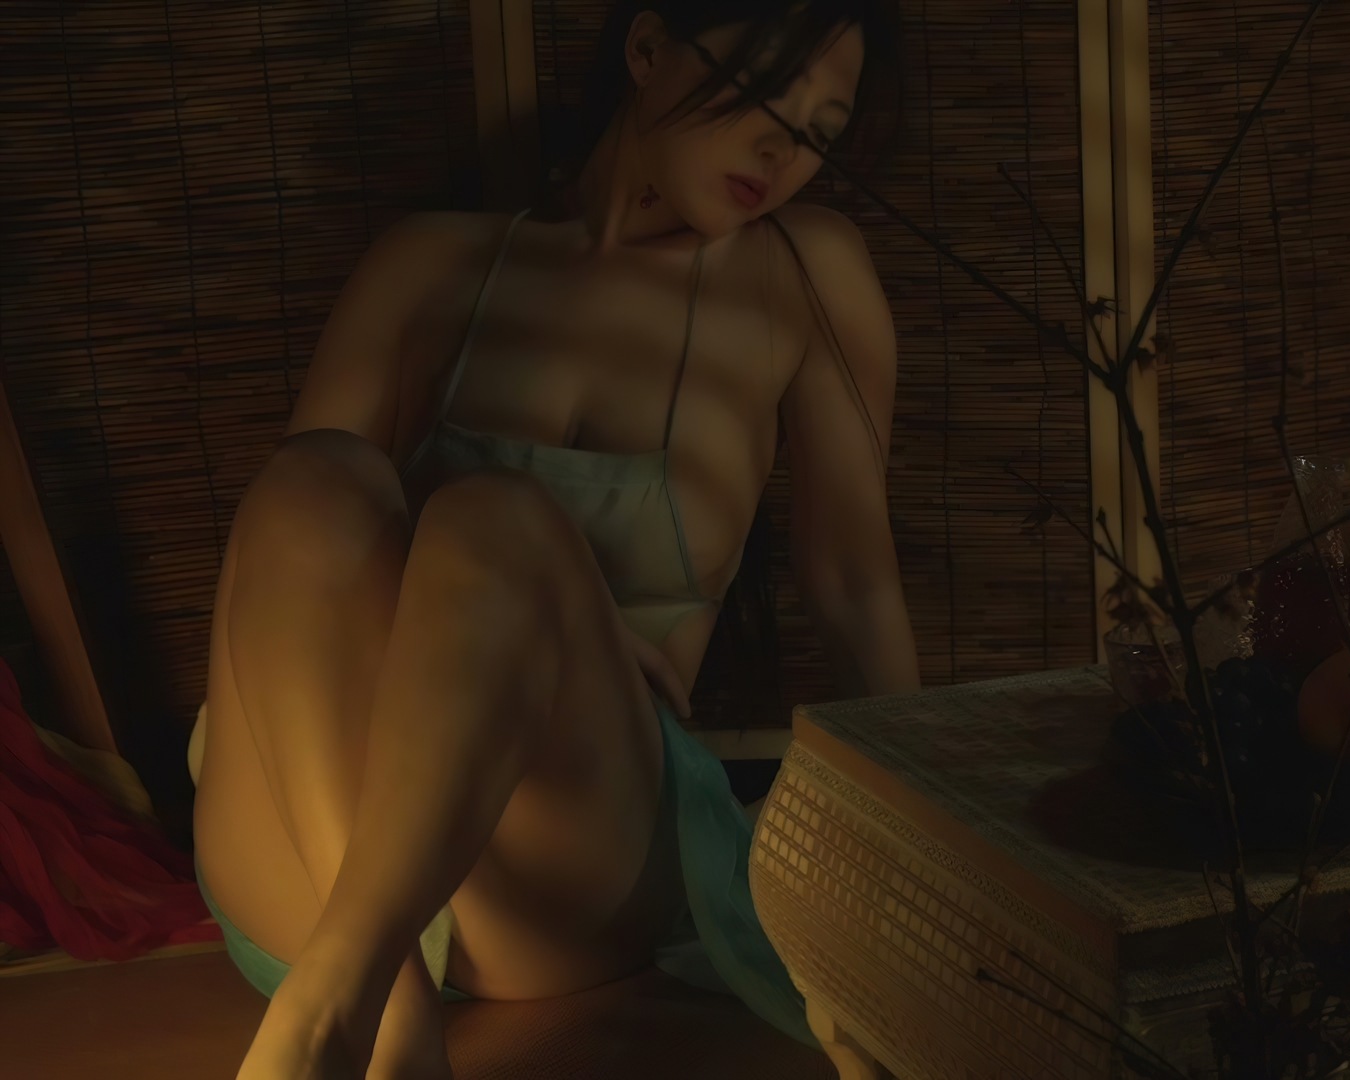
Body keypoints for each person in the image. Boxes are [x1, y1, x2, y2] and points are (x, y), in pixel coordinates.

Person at [190, 2, 917, 1076]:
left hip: (571, 849)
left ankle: (341, 1010)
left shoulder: (804, 272)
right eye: (763, 90)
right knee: (313, 477)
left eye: (818, 131)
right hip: (311, 836)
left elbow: (854, 583)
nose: (782, 150)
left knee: (499, 520)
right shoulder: (431, 265)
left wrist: (929, 869)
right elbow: (285, 585)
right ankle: (376, 1005)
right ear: (647, 47)